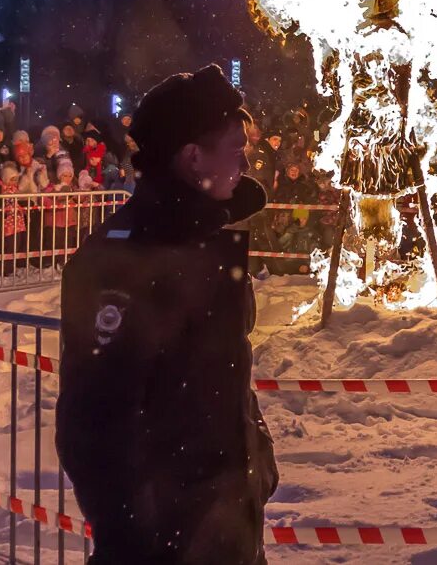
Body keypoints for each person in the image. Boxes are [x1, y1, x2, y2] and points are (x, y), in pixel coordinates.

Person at [57, 65, 277, 564]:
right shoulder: (122, 260)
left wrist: (254, 465)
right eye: (235, 151)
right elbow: (92, 425)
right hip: (166, 547)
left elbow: (223, 379)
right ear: (192, 156)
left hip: (226, 531)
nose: (246, 163)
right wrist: (137, 537)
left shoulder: (209, 243)